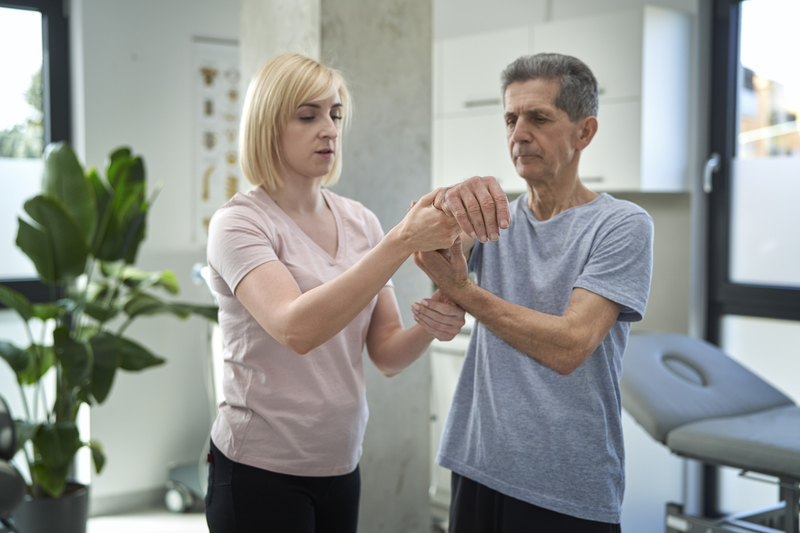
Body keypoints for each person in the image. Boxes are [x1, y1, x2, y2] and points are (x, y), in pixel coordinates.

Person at [204, 53, 469, 533]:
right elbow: (296, 328)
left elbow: (386, 353)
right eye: (308, 116)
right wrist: (401, 241)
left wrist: (441, 310)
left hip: (340, 464)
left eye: (335, 114)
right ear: (268, 126)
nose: (329, 129)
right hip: (259, 470)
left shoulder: (359, 220)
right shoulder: (240, 223)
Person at [414, 53, 654, 532]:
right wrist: (446, 203)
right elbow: (432, 255)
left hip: (565, 483)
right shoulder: (493, 215)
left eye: (538, 118)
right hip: (478, 460)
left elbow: (570, 345)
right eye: (510, 118)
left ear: (584, 132)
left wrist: (463, 292)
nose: (518, 134)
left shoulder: (622, 224)